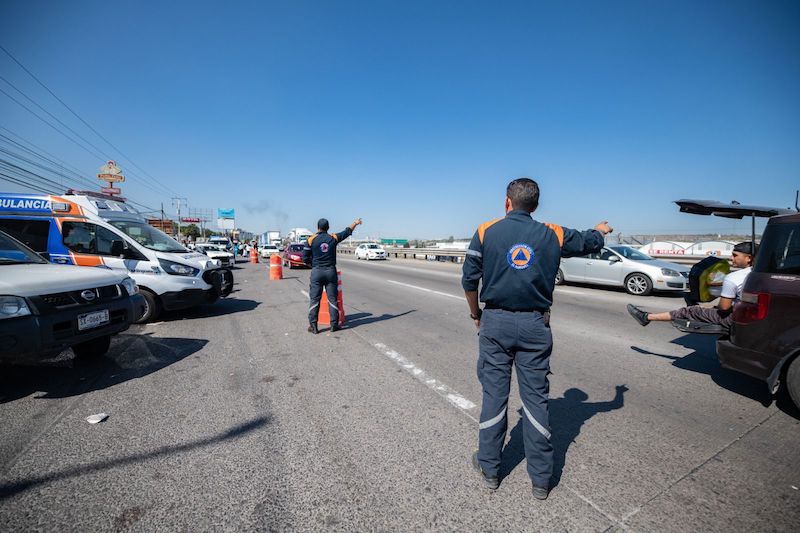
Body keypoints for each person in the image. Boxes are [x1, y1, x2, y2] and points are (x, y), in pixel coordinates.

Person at [462, 177, 612, 500]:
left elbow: (469, 280)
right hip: (535, 325)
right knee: (536, 401)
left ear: (506, 202)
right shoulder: (553, 233)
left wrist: (477, 315)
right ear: (536, 206)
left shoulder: (486, 230)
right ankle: (541, 480)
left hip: (495, 324)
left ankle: (490, 469)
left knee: (494, 397)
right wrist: (600, 231)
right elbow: (588, 241)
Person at [627, 241, 757, 329]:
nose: (731, 258)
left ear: (749, 258)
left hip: (734, 317)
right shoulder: (759, 273)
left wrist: (721, 306)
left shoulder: (733, 277)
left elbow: (724, 307)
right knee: (707, 308)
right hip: (749, 314)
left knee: (690, 310)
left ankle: (646, 317)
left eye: (735, 255)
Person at [303, 217, 362, 333]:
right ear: (328, 228)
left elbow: (304, 258)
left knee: (315, 299)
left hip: (317, 272)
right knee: (332, 299)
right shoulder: (333, 238)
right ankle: (334, 325)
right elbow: (347, 231)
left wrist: (313, 265)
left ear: (317, 227)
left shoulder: (310, 240)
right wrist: (355, 223)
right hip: (330, 272)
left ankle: (313, 326)